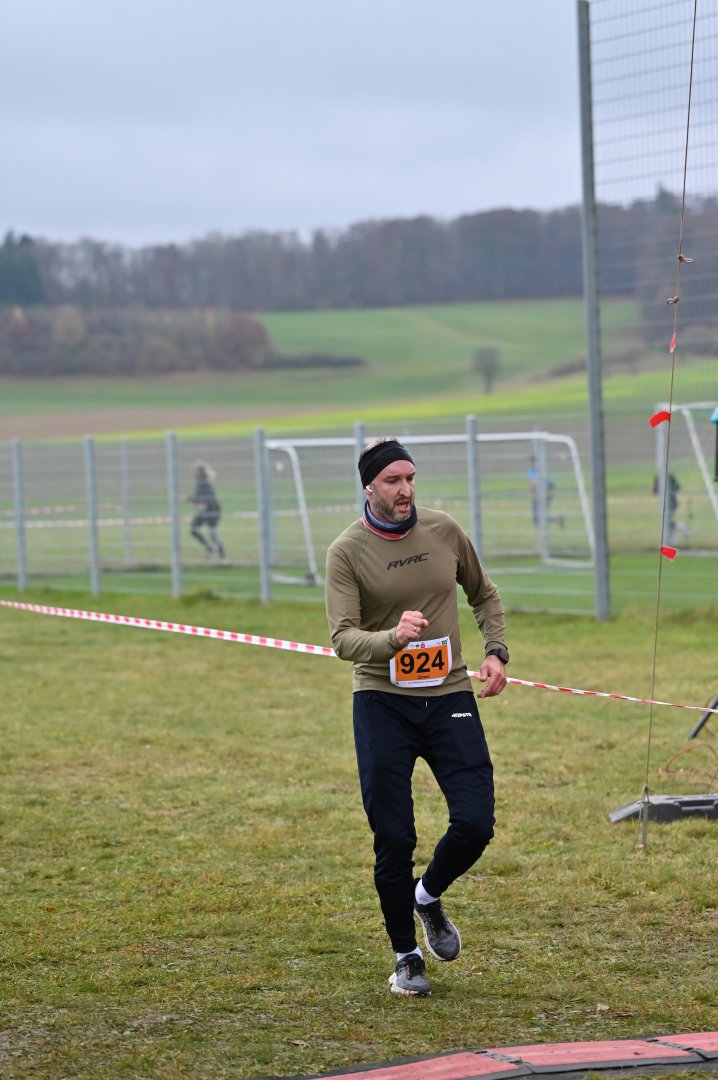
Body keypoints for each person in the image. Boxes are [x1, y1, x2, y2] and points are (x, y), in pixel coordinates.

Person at [325, 436, 508, 997]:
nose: (405, 489)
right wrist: (392, 638)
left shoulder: (443, 530)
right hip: (382, 702)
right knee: (394, 837)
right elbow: (343, 639)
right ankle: (406, 957)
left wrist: (496, 652)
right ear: (369, 487)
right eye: (392, 481)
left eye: (409, 478)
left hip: (450, 695)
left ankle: (425, 897)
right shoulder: (347, 551)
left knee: (476, 823)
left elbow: (484, 594)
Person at [186, 462, 226, 561]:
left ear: (199, 471)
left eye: (194, 470)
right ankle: (210, 548)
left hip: (212, 509)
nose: (193, 472)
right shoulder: (200, 481)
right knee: (194, 530)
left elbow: (203, 498)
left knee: (212, 534)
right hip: (205, 510)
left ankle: (223, 557)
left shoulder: (203, 482)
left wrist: (191, 499)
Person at [652, 472, 689, 545]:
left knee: (666, 522)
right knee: (666, 522)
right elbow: (655, 490)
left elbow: (677, 487)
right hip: (668, 503)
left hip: (670, 503)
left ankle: (675, 536)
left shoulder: (666, 476)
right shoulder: (662, 476)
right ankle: (680, 528)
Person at [528, 456, 564, 528]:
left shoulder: (539, 470)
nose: (530, 463)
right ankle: (557, 519)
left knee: (538, 518)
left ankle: (546, 528)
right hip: (539, 496)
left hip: (543, 495)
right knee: (538, 518)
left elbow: (534, 484)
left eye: (532, 462)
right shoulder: (533, 470)